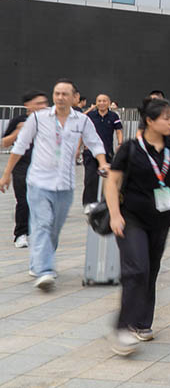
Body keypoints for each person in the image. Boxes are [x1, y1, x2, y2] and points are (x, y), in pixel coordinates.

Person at [105, 97, 170, 355]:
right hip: (131, 218)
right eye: (167, 118)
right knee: (136, 269)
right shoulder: (131, 149)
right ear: (150, 121)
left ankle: (141, 322)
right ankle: (122, 329)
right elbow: (112, 183)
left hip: (160, 219)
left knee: (150, 271)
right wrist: (114, 214)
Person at [0, 80, 107, 291]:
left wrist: (103, 163)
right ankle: (45, 271)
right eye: (57, 93)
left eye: (65, 94)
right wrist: (6, 175)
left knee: (54, 229)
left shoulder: (82, 121)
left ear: (74, 97)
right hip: (39, 182)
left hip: (65, 185)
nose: (60, 97)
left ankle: (38, 261)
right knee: (42, 224)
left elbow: (95, 143)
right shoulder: (38, 119)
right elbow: (20, 146)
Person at [1, 91, 48, 248]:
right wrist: (17, 132)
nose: (43, 106)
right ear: (27, 105)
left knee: (43, 201)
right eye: (38, 103)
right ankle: (21, 234)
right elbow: (5, 143)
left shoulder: (49, 121)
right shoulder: (19, 120)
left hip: (43, 166)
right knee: (23, 200)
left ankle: (39, 231)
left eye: (44, 103)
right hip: (22, 166)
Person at [83, 94, 123, 207]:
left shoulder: (113, 116)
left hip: (107, 151)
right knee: (90, 178)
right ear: (96, 103)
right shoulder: (90, 116)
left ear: (109, 103)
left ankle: (106, 201)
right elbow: (83, 132)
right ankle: (88, 203)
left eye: (104, 101)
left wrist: (120, 143)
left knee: (108, 178)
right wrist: (80, 146)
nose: (102, 103)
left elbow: (119, 130)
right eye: (99, 101)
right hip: (90, 152)